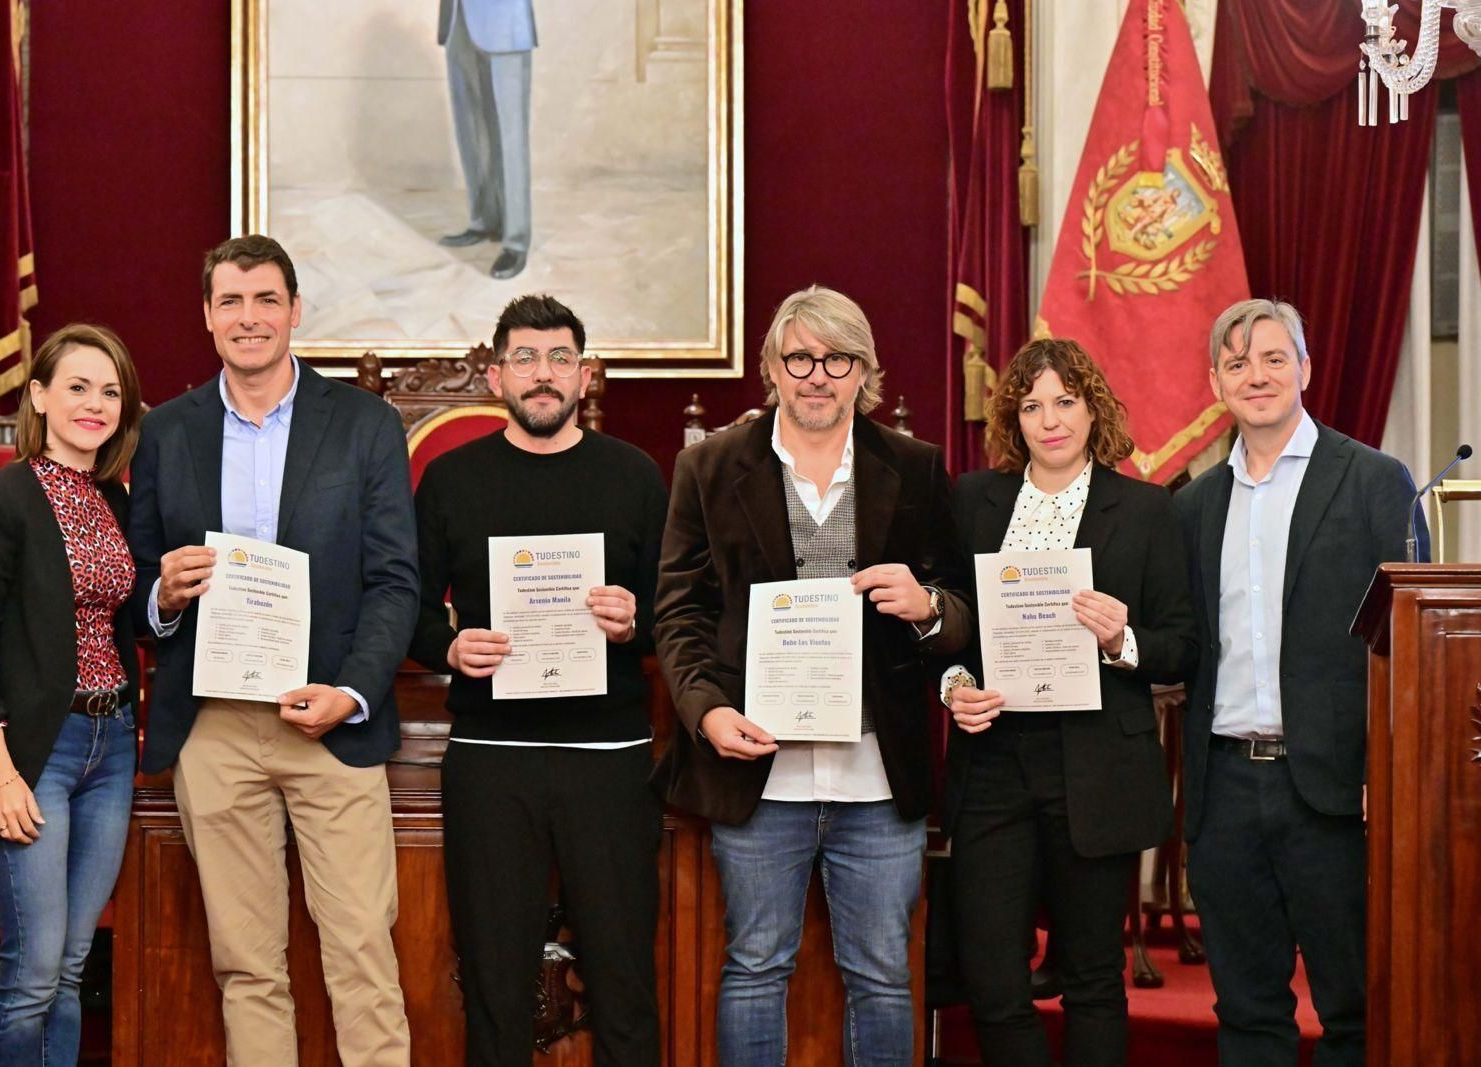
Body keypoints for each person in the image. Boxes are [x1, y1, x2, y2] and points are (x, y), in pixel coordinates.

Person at [653, 284, 973, 1066]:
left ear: (865, 371)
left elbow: (963, 609)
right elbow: (679, 612)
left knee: (884, 975)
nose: (818, 375)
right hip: (759, 773)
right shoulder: (708, 467)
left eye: (838, 359)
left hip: (877, 776)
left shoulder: (916, 467)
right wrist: (706, 712)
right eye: (800, 358)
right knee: (755, 965)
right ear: (772, 367)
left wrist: (927, 605)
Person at [127, 235, 419, 1067]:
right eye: (231, 301)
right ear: (207, 315)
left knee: (362, 951)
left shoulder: (364, 424)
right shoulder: (166, 432)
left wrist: (351, 693)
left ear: (294, 311)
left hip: (329, 721)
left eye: (265, 300)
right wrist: (163, 595)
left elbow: (396, 580)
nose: (248, 317)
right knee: (246, 964)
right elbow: (138, 580)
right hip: (215, 725)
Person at [410, 294, 668, 1066]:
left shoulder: (635, 475)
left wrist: (635, 621)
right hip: (492, 758)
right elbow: (406, 609)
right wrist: (450, 648)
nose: (543, 373)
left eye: (560, 358)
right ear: (497, 376)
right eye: (525, 358)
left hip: (609, 758)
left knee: (624, 976)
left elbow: (678, 609)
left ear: (585, 376)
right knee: (494, 981)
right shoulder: (451, 480)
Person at [1174, 298, 1424, 1067]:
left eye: (1274, 358)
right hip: (1223, 792)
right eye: (1238, 363)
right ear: (1216, 382)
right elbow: (1186, 644)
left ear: (1305, 370)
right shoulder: (1192, 506)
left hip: (1337, 794)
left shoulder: (1374, 480)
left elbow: (1407, 644)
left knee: (1355, 1011)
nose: (1257, 375)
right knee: (1247, 1013)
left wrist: (1389, 768)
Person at [940, 338, 1196, 1067]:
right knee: (993, 983)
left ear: (1093, 409)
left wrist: (1122, 638)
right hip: (993, 762)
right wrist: (955, 688)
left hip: (1098, 765)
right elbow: (948, 627)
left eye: (1065, 401)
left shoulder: (1146, 510)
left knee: (1092, 980)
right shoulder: (972, 501)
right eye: (1031, 405)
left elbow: (1182, 645)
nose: (1050, 420)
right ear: (1012, 418)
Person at [0, 323, 144, 1066]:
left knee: (68, 966)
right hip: (34, 750)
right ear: (38, 396)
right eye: (78, 387)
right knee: (31, 972)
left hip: (111, 745)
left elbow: (126, 618)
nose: (95, 404)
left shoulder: (116, 499)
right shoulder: (0, 498)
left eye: (110, 392)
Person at [438, 0, 536, 279]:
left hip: (505, 25)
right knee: (471, 131)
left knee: (511, 139)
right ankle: (484, 221)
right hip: (457, 20)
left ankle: (516, 241)